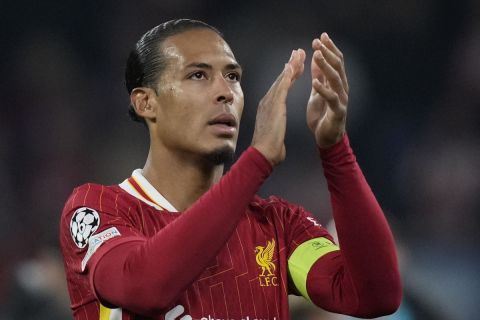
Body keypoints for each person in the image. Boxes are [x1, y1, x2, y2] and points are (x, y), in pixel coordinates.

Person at [59, 19, 401, 320]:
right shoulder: (98, 208)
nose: (225, 92)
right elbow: (146, 288)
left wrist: (335, 150)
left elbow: (373, 295)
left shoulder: (278, 227)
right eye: (198, 75)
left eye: (233, 77)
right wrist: (257, 160)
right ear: (146, 101)